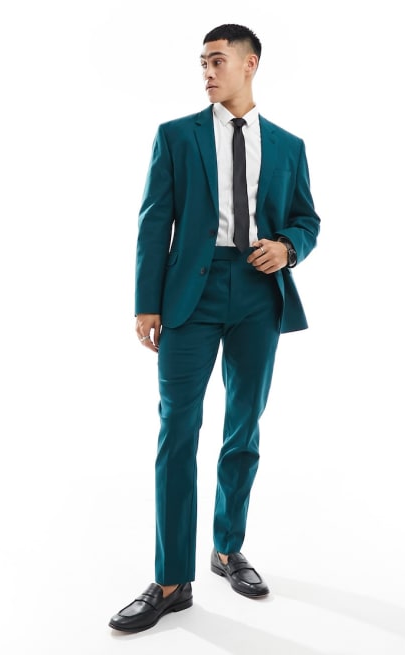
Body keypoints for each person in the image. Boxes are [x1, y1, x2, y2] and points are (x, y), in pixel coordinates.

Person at [109, 23, 320, 633]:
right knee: (177, 430)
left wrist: (288, 246)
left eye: (218, 60)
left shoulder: (288, 145)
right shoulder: (176, 136)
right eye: (202, 61)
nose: (206, 71)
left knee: (243, 427)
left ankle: (228, 548)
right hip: (189, 296)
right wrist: (146, 303)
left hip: (258, 292)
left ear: (250, 64)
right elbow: (155, 222)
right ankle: (171, 579)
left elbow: (307, 218)